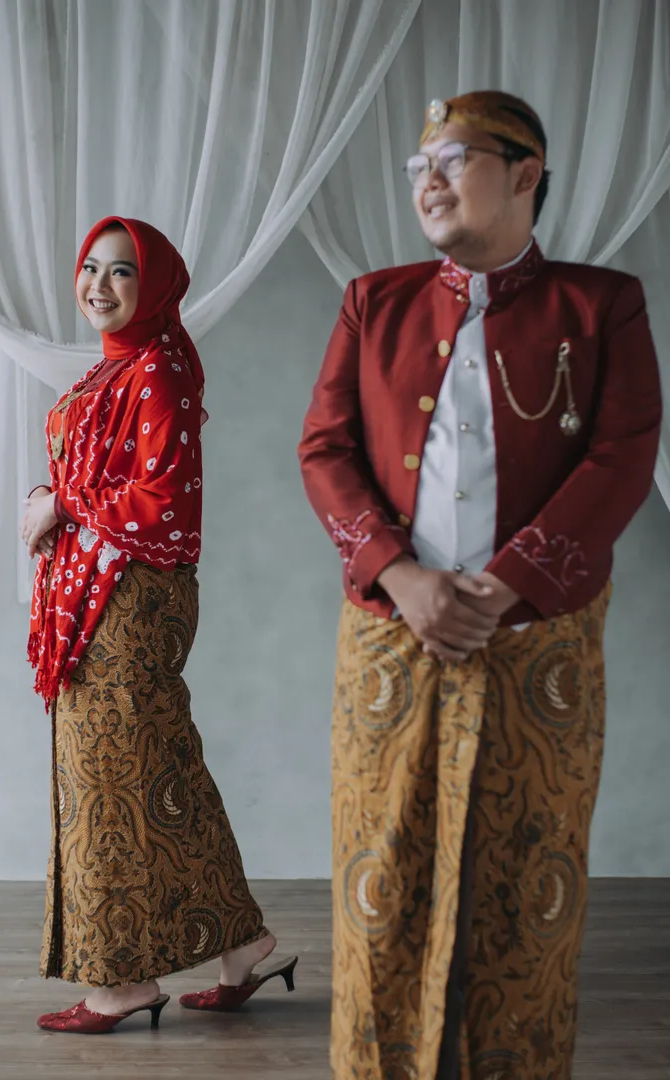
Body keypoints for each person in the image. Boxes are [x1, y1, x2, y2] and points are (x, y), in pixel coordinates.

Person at [298, 91, 662, 1079]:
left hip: (537, 642)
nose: (428, 180)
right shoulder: (374, 301)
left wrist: (505, 589)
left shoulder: (601, 305)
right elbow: (324, 449)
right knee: (382, 874)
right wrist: (403, 577)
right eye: (418, 166)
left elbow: (624, 454)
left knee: (526, 878)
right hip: (393, 633)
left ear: (526, 172)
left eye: (453, 159)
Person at [20, 217, 297, 1034]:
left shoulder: (159, 368)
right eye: (90, 268)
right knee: (157, 771)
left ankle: (121, 983)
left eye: (122, 272)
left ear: (156, 287)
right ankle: (245, 946)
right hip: (101, 595)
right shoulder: (111, 371)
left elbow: (160, 500)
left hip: (130, 601)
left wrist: (61, 503)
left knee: (105, 780)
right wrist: (50, 499)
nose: (99, 285)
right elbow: (95, 478)